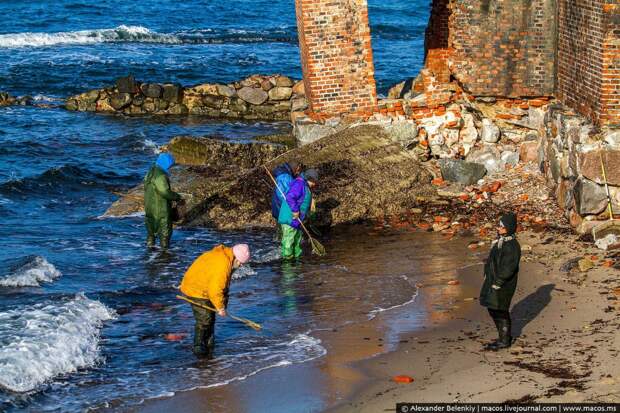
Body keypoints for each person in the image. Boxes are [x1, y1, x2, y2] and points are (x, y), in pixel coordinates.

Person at [179, 243, 251, 358]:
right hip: (196, 289)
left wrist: (222, 304)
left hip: (204, 286)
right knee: (205, 320)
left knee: (210, 318)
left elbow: (223, 286)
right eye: (241, 264)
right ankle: (198, 348)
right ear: (237, 260)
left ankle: (209, 344)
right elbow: (215, 290)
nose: (241, 266)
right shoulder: (222, 264)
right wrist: (220, 307)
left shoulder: (227, 257)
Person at [479, 212, 521, 351]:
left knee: (500, 309)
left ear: (508, 227)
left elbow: (509, 267)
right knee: (492, 307)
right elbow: (492, 261)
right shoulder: (500, 242)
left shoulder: (511, 246)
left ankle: (504, 340)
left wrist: (499, 281)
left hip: (503, 283)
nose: (498, 228)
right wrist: (487, 275)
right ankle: (503, 337)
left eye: (501, 226)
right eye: (499, 226)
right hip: (493, 280)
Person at [144, 153, 182, 249]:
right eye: (170, 165)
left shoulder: (150, 172)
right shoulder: (161, 175)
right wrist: (176, 196)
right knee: (164, 235)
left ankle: (149, 257)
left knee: (151, 234)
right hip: (161, 210)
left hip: (149, 209)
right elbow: (164, 191)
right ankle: (165, 258)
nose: (170, 167)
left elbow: (146, 187)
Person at [278, 168, 319, 259]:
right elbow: (290, 197)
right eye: (314, 181)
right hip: (290, 219)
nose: (315, 184)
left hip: (297, 221)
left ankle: (296, 261)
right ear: (309, 178)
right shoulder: (299, 184)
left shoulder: (305, 186)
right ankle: (287, 264)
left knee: (297, 242)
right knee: (288, 242)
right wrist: (295, 211)